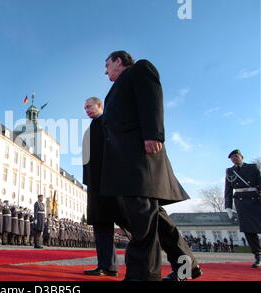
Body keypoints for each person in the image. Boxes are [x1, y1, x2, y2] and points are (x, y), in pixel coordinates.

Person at [100, 51, 202, 281]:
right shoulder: (115, 89)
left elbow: (151, 98)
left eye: (107, 65)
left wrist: (153, 134)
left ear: (118, 60)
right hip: (127, 159)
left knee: (141, 217)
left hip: (139, 155)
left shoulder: (139, 69)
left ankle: (142, 275)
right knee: (156, 217)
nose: (105, 71)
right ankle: (187, 268)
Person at [82, 97, 122, 277]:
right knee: (101, 224)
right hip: (95, 183)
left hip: (109, 181)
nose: (86, 110)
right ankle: (107, 266)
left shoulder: (109, 122)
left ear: (100, 106)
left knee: (126, 221)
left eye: (89, 106)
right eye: (85, 108)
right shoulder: (92, 127)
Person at [224, 149, 261, 268]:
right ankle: (258, 256)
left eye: (236, 156)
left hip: (255, 199)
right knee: (249, 231)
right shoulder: (230, 171)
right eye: (232, 157)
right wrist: (228, 206)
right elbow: (228, 189)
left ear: (241, 157)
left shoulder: (252, 167)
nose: (234, 158)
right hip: (241, 202)